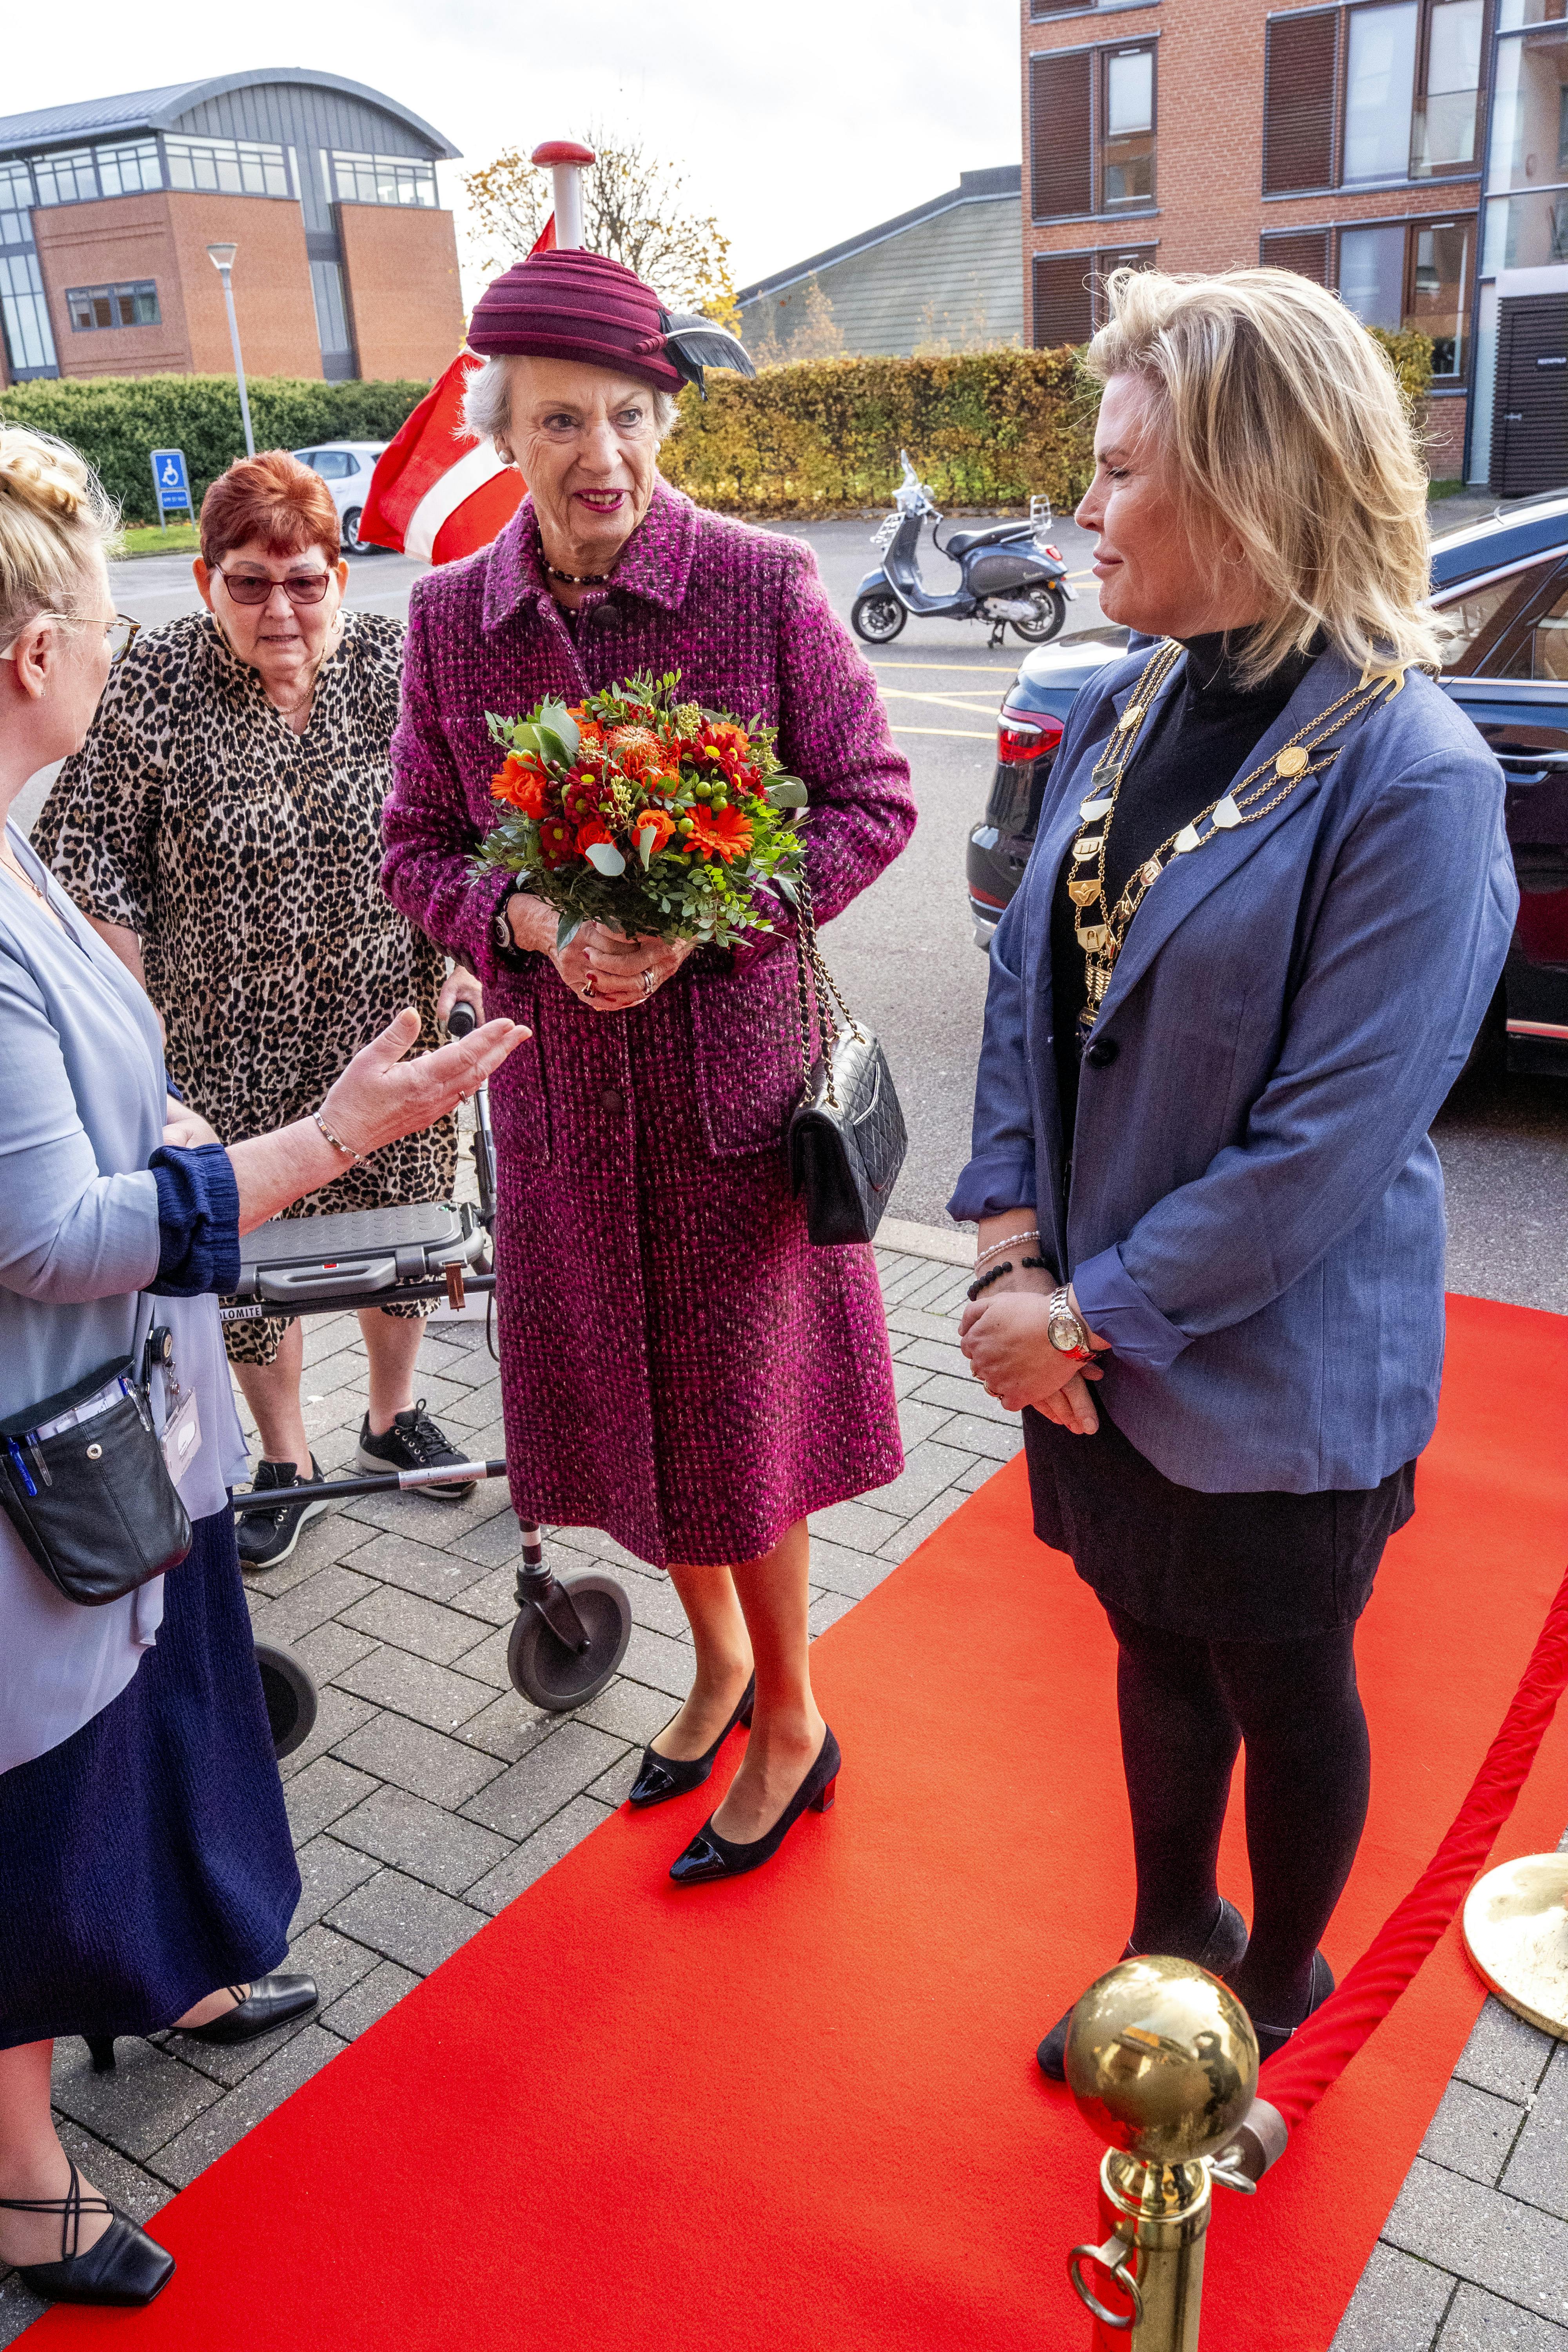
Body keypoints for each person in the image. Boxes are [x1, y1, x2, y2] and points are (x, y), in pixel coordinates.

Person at [949, 268, 1517, 2072]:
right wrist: (1005, 1247)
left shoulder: (1411, 775)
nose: (1083, 510)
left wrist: (1081, 1321)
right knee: (1152, 1650)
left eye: (1121, 475)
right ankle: (1166, 1953)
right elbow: (1022, 990)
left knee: (1281, 1678)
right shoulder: (1122, 698)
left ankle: (1272, 2001)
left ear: (1253, 487)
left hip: (1272, 1372)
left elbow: (1320, 1153)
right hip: (1089, 1345)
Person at [0, 423, 525, 2308]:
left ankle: (185, 1964)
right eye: (102, 618)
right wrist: (286, 1148)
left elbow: (96, 1076)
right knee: (43, 1776)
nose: (125, 643)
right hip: (54, 1426)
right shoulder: (32, 846)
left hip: (137, 1390)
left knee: (169, 1694)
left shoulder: (16, 846)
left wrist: (223, 1119)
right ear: (38, 657)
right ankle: (21, 2177)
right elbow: (45, 1226)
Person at [382, 246, 915, 1886]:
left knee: (741, 1422)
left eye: (629, 416)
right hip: (560, 1108)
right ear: (502, 432)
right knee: (630, 1418)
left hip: (734, 1108)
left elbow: (871, 799)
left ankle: (797, 1716)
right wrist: (532, 923)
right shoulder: (453, 624)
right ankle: (718, 1670)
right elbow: (413, 845)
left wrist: (714, 923)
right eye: (560, 422)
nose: (602, 456)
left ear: (662, 418)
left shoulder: (758, 587)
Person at [34, 451, 485, 1572]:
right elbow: (87, 865)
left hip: (389, 1030)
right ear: (206, 584)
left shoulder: (398, 662)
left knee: (406, 1240)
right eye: (249, 582)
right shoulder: (151, 685)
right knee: (244, 1262)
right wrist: (136, 1032)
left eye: (303, 580)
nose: (278, 608)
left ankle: (390, 1421)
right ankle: (285, 1458)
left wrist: (464, 972)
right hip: (216, 1044)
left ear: (341, 574)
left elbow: (464, 831)